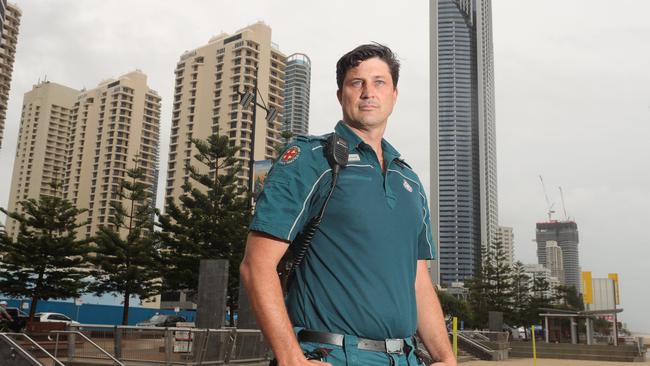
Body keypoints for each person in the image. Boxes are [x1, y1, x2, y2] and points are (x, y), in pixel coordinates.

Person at [240, 44, 456, 366]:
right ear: (341, 94)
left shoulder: (408, 180)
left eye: (379, 82)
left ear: (394, 95)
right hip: (334, 355)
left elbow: (418, 279)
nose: (369, 92)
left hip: (408, 357)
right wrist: (290, 358)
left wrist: (445, 357)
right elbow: (256, 264)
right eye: (357, 83)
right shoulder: (311, 160)